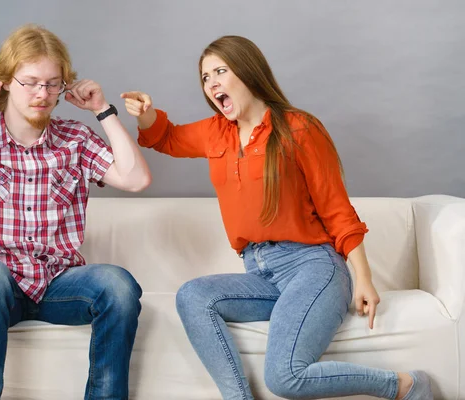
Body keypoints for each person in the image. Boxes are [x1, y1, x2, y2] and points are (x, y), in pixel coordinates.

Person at [121, 35, 432, 400]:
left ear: (249, 72)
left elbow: (337, 209)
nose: (212, 83)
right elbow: (166, 138)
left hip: (313, 268)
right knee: (193, 296)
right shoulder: (216, 133)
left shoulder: (298, 128)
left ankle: (405, 385)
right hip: (260, 272)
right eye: (206, 77)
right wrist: (145, 115)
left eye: (221, 71)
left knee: (285, 377)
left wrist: (364, 277)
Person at [0, 24, 151, 400]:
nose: (42, 94)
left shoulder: (75, 138)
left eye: (53, 84)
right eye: (31, 82)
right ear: (6, 81)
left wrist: (102, 110)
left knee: (118, 285)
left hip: (57, 284)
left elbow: (136, 180)